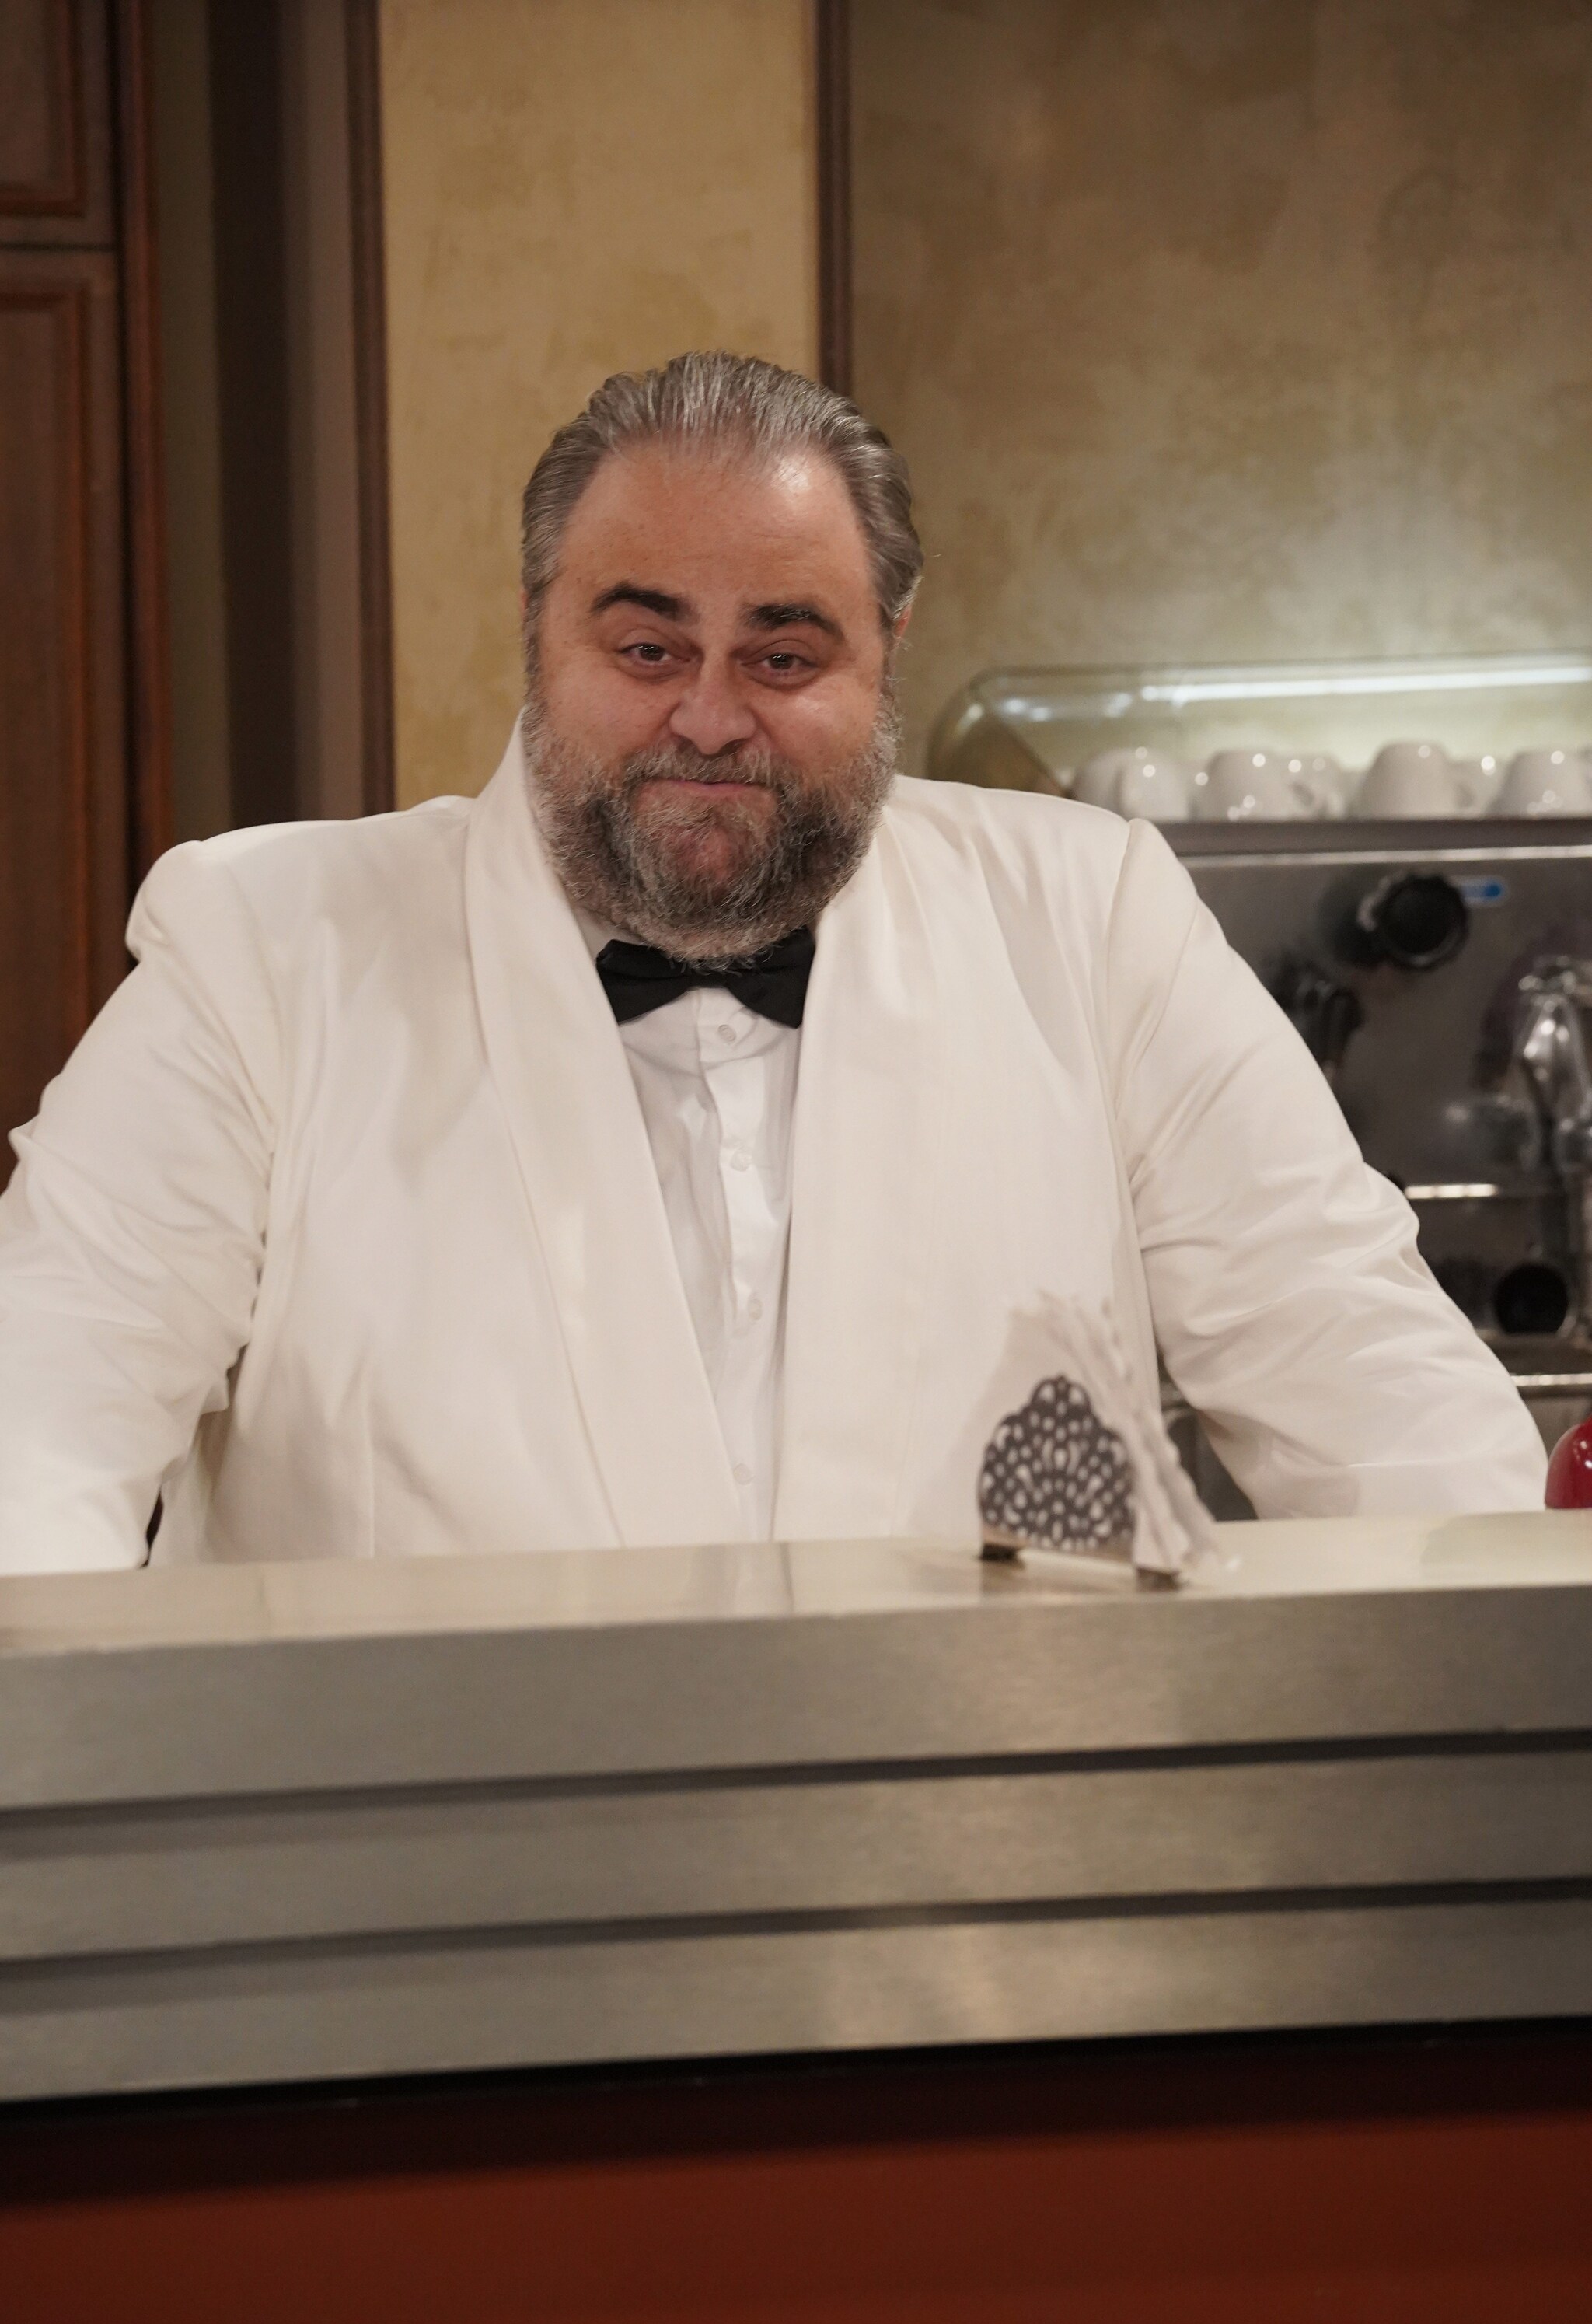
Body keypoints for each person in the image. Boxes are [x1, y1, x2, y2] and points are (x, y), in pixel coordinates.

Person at [0, 352, 1544, 1572]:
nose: (709, 715)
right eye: (647, 648)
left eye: (784, 655)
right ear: (538, 632)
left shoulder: (1092, 918)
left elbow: (1373, 1390)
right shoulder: (262, 953)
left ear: (889, 651)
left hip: (980, 1867)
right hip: (403, 1875)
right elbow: (37, 1431)